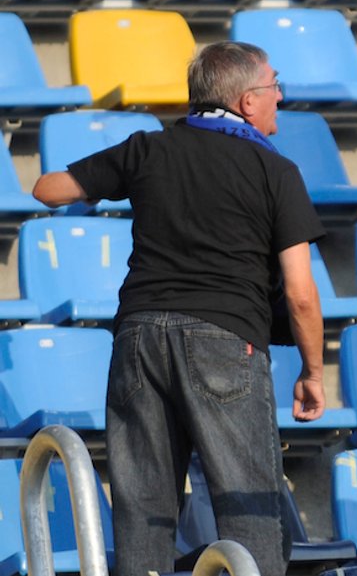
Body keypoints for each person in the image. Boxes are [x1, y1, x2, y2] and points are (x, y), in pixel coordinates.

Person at [31, 41, 327, 576]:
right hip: (224, 338)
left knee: (143, 512)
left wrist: (110, 183)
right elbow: (301, 293)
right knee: (249, 507)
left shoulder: (149, 148)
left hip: (139, 338)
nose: (280, 95)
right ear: (245, 101)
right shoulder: (274, 170)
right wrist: (311, 371)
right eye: (274, 85)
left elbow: (48, 189)